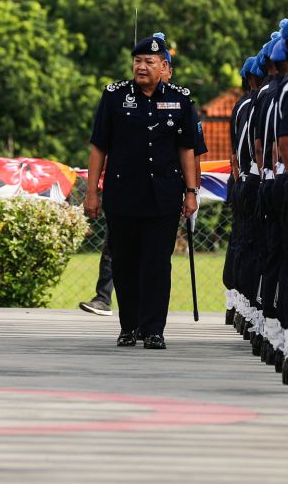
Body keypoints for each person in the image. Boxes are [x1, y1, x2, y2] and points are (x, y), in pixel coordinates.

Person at [84, 34, 200, 349]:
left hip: (163, 194)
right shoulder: (114, 96)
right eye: (138, 61)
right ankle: (129, 326)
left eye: (149, 62)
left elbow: (187, 149)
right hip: (123, 194)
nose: (142, 67)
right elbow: (99, 147)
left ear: (165, 67)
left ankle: (153, 329)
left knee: (158, 263)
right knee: (124, 262)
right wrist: (92, 192)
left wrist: (191, 191)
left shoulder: (181, 99)